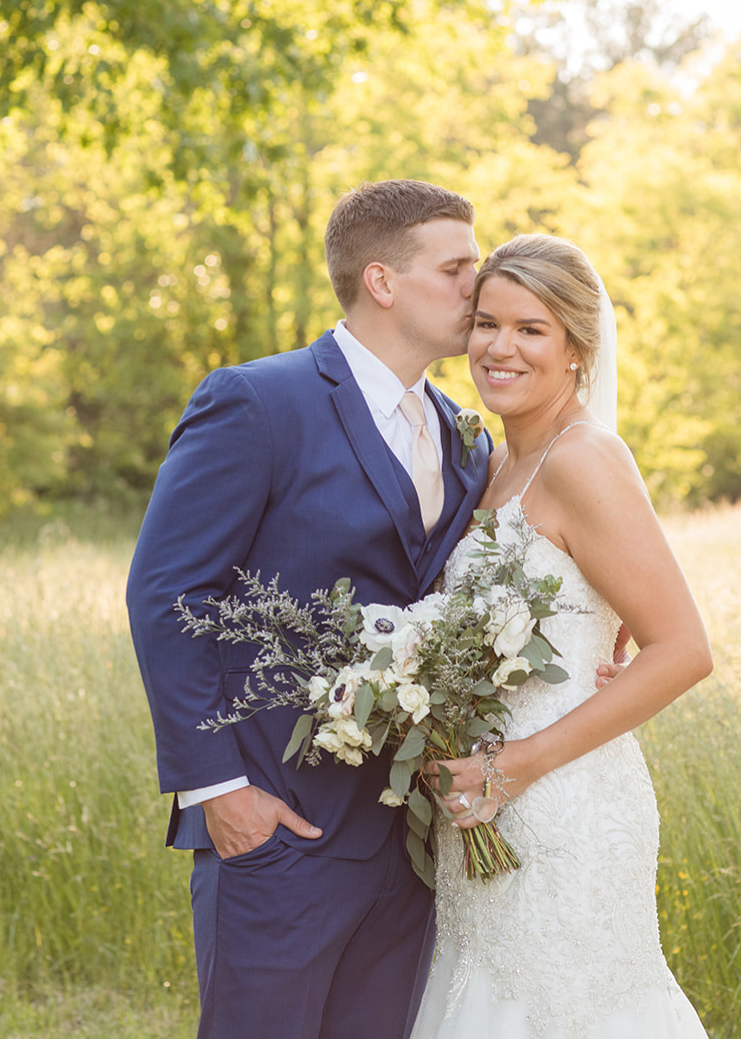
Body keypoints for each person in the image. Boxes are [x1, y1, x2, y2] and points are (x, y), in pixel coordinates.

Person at [126, 180, 493, 1039]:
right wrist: (219, 789)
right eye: (457, 268)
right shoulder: (257, 402)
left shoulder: (462, 432)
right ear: (382, 282)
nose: (478, 286)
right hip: (275, 821)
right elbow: (169, 593)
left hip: (409, 836)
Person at [411, 233, 713, 1038]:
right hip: (480, 802)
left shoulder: (583, 459)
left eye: (530, 329)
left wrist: (514, 767)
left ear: (578, 348)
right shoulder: (495, 464)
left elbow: (684, 648)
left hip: (562, 802)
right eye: (485, 323)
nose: (498, 347)